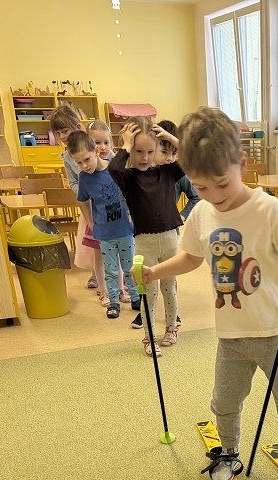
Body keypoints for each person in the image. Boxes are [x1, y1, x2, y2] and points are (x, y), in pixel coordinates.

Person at [135, 107, 278, 480]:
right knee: (224, 401)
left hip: (275, 333)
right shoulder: (200, 213)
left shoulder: (268, 211)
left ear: (241, 163)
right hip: (230, 335)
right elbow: (191, 258)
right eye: (199, 187)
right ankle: (229, 452)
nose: (213, 196)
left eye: (221, 184)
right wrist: (155, 271)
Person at [108, 117, 184, 355]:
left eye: (150, 151)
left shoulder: (167, 172)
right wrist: (126, 146)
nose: (143, 157)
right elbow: (113, 168)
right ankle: (149, 336)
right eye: (138, 151)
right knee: (148, 292)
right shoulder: (128, 178)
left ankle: (172, 326)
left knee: (169, 288)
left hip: (170, 239)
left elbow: (191, 157)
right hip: (145, 243)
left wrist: (170, 138)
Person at [68, 130, 140, 319]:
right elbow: (83, 201)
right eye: (78, 163)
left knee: (129, 266)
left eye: (86, 159)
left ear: (96, 150)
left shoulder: (115, 169)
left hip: (125, 229)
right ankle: (113, 301)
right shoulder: (84, 178)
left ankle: (135, 297)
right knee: (110, 269)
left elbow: (131, 192)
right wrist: (91, 223)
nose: (84, 166)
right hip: (104, 233)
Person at [49, 107, 108, 303]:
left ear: (76, 127)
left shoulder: (93, 146)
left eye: (64, 131)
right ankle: (96, 274)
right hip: (88, 204)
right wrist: (84, 191)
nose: (61, 136)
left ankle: (115, 277)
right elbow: (73, 182)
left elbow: (110, 165)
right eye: (57, 133)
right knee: (93, 242)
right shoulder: (66, 158)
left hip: (106, 201)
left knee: (110, 241)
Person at [153, 118, 202, 330]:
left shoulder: (177, 173)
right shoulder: (143, 171)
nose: (171, 158)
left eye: (174, 153)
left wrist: (181, 216)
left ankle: (172, 315)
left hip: (169, 233)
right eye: (165, 152)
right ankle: (146, 313)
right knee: (147, 276)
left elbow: (196, 197)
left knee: (168, 278)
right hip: (144, 234)